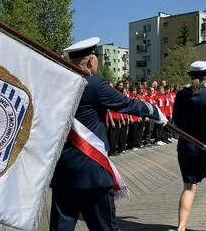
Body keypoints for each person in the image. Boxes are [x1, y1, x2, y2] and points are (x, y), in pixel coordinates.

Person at [50, 37, 168, 231]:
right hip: (93, 172)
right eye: (96, 57)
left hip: (64, 172)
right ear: (90, 61)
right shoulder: (95, 85)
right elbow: (127, 104)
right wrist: (154, 111)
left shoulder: (57, 86)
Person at [173, 61, 206, 231]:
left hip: (186, 148)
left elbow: (176, 123)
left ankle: (181, 227)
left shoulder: (180, 95)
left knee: (189, 187)